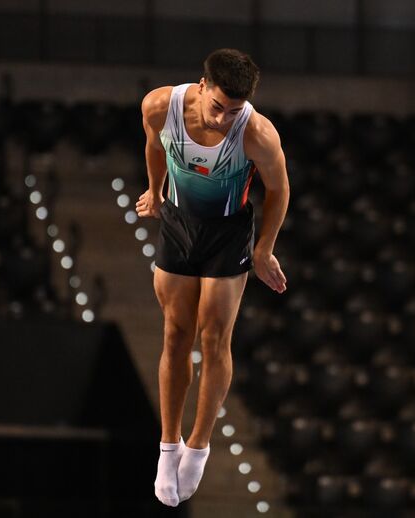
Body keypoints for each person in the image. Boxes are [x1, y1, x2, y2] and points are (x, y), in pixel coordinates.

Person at [136, 48, 290, 507]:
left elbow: (279, 189)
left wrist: (263, 249)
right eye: (218, 107)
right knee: (175, 333)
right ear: (201, 86)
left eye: (234, 112)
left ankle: (198, 446)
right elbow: (153, 144)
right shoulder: (160, 106)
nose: (223, 119)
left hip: (227, 233)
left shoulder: (257, 133)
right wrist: (154, 189)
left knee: (214, 336)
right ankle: (168, 447)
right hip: (180, 225)